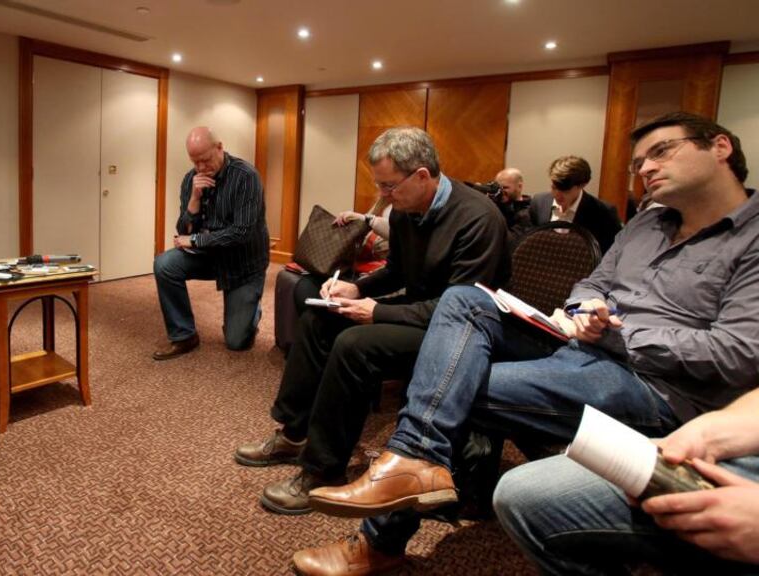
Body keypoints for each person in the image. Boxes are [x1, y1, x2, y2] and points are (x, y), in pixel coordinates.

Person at [292, 112, 759, 575]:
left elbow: (736, 353)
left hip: (655, 387)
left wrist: (620, 334)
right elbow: (592, 282)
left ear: (720, 147)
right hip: (581, 348)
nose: (646, 168)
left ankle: (381, 536)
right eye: (639, 162)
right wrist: (584, 307)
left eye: (662, 151)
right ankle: (411, 463)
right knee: (464, 299)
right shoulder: (645, 224)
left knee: (449, 387)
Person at [235, 127, 509, 515]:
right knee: (318, 319)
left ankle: (322, 470)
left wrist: (376, 311)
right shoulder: (407, 210)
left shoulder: (478, 219)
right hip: (421, 312)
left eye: (389, 186)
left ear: (422, 176)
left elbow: (460, 307)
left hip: (459, 334)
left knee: (356, 346)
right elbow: (397, 271)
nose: (383, 196)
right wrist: (357, 288)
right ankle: (295, 434)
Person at [494, 386, 759, 575]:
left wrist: (627, 342)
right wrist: (708, 432)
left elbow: (730, 350)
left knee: (524, 495)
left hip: (662, 385)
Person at [152, 127, 269, 360]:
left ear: (219, 147)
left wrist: (196, 240)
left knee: (236, 341)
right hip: (208, 256)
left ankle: (252, 310)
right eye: (195, 162)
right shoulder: (191, 179)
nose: (201, 167)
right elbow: (183, 230)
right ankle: (184, 335)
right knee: (164, 264)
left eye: (205, 160)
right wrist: (194, 199)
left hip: (243, 261)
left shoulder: (246, 176)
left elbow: (241, 233)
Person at [529, 156, 622, 253]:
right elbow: (529, 243)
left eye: (565, 190)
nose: (557, 194)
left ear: (582, 185)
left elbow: (611, 254)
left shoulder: (604, 213)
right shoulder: (539, 202)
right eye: (554, 187)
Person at [494, 167, 532, 247]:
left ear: (519, 186)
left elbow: (513, 242)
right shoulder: (496, 206)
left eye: (505, 187)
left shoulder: (530, 210)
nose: (500, 192)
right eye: (498, 188)